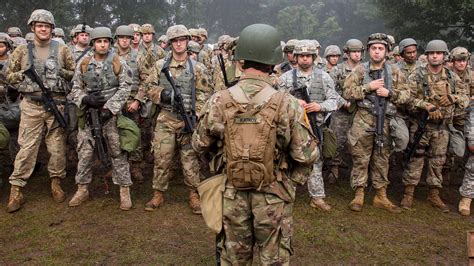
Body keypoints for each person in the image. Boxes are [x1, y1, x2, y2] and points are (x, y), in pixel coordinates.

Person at [192, 23, 318, 265]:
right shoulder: (288, 104)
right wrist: (290, 183)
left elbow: (199, 144)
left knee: (234, 258)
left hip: (231, 193)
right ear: (273, 63)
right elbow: (306, 154)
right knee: (274, 259)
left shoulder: (218, 100)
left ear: (240, 61)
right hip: (273, 195)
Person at [6, 9, 75, 212]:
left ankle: (56, 182)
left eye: (46, 26)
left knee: (56, 148)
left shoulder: (62, 50)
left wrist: (57, 73)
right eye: (39, 26)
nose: (43, 29)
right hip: (31, 105)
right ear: (33, 28)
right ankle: (16, 189)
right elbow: (8, 75)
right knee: (27, 147)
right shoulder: (21, 51)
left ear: (52, 29)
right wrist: (25, 77)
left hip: (56, 104)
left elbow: (72, 74)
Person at [137, 25, 212, 214]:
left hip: (188, 120)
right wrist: (162, 94)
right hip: (166, 118)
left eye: (182, 40)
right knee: (162, 158)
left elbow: (205, 93)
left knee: (190, 160)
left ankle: (193, 194)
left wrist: (196, 115)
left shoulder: (198, 68)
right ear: (170, 44)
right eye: (175, 41)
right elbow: (148, 88)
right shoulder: (160, 66)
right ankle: (158, 193)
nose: (179, 44)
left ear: (187, 42)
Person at [343, 33, 411, 213]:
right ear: (368, 51)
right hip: (363, 119)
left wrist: (390, 94)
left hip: (386, 120)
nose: (377, 52)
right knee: (360, 157)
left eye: (381, 48)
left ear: (387, 51)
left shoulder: (395, 71)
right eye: (373, 48)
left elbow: (406, 95)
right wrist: (368, 87)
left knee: (382, 157)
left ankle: (381, 195)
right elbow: (347, 92)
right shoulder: (360, 70)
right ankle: (359, 193)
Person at [68, 27, 134, 210]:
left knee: (118, 152)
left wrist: (111, 108)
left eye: (105, 41)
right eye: (99, 41)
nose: (102, 45)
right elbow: (74, 87)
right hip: (89, 114)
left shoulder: (118, 61)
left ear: (110, 43)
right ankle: (82, 188)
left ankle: (124, 190)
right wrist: (85, 98)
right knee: (85, 153)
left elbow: (125, 87)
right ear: (93, 44)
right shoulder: (83, 62)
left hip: (111, 116)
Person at [400, 40, 469, 212]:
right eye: (432, 53)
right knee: (415, 158)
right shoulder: (417, 75)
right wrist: (426, 106)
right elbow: (407, 99)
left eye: (438, 53)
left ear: (444, 56)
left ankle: (434, 194)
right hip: (421, 125)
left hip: (443, 126)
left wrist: (454, 98)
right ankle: (408, 193)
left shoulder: (452, 77)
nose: (435, 56)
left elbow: (465, 98)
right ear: (428, 56)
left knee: (438, 161)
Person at [278, 39, 339, 211]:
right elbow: (276, 101)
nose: (305, 59)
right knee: (288, 161)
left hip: (316, 126)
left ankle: (317, 197)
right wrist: (294, 102)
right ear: (295, 57)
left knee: (316, 162)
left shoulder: (324, 77)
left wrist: (320, 106)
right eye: (301, 56)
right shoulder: (285, 78)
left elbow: (334, 101)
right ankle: (287, 195)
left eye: (308, 56)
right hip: (292, 127)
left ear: (314, 57)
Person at [325, 39, 364, 183]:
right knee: (337, 140)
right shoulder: (338, 70)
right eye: (353, 52)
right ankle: (334, 169)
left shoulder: (365, 69)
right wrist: (343, 103)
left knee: (359, 142)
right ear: (347, 53)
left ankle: (358, 173)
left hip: (361, 112)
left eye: (359, 52)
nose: (356, 55)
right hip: (341, 112)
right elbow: (330, 89)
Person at [114, 25, 144, 182]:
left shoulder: (138, 56)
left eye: (127, 37)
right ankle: (118, 166)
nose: (124, 40)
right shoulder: (110, 56)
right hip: (114, 103)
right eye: (122, 37)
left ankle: (136, 166)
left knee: (135, 134)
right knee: (115, 135)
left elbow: (146, 81)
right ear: (117, 39)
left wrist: (138, 100)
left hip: (132, 103)